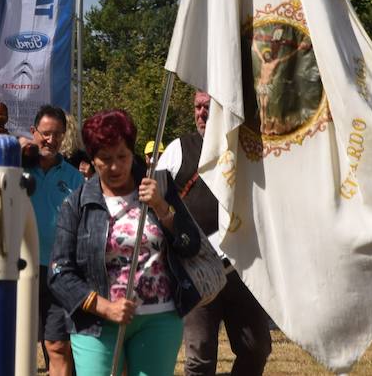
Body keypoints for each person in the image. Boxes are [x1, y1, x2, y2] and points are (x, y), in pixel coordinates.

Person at [51, 109, 201, 376]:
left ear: (132, 152)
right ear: (92, 159)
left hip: (160, 318)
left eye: (122, 156)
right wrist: (104, 307)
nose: (115, 166)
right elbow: (59, 273)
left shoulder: (160, 188)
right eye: (105, 159)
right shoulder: (76, 204)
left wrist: (162, 208)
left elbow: (191, 245)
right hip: (95, 325)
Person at [157, 92, 271, 376]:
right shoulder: (179, 148)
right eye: (197, 106)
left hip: (243, 268)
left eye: (208, 107)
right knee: (199, 357)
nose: (201, 113)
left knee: (257, 348)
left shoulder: (246, 148)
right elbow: (153, 197)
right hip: (196, 269)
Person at [27, 105, 84, 376]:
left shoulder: (75, 178)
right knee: (19, 347)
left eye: (57, 135)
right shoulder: (16, 169)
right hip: (21, 270)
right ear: (33, 132)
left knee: (57, 345)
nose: (51, 140)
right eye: (45, 134)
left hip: (59, 272)